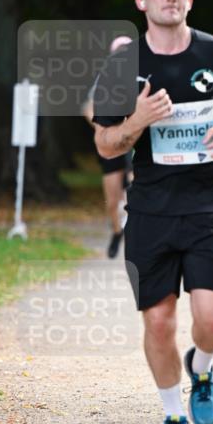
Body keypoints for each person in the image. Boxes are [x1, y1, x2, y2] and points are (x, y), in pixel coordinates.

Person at [93, 0, 213, 424]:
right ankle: (171, 416)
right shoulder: (124, 66)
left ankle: (201, 370)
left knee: (212, 321)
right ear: (142, 1)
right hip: (151, 211)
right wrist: (138, 120)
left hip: (209, 208)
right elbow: (104, 144)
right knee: (159, 321)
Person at [83, 35, 134, 258]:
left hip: (134, 143)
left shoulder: (142, 75)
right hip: (112, 143)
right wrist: (100, 127)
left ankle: (137, 236)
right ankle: (116, 232)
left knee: (134, 188)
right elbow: (88, 106)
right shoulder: (105, 78)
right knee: (112, 199)